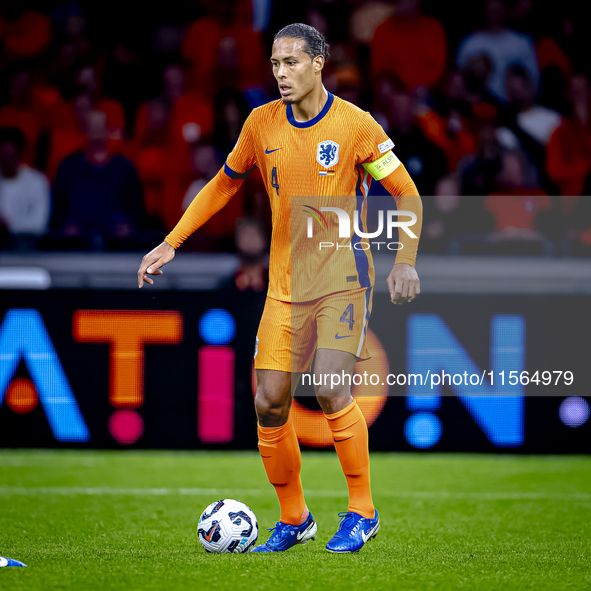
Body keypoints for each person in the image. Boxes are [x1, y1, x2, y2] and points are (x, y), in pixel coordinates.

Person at [137, 23, 422, 554]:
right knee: (269, 402)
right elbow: (224, 182)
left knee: (331, 386)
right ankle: (296, 519)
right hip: (285, 287)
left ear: (319, 63)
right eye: (274, 63)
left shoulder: (355, 126)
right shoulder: (260, 123)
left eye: (291, 62)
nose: (281, 73)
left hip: (343, 281)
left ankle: (363, 512)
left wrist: (404, 260)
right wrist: (172, 241)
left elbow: (406, 193)